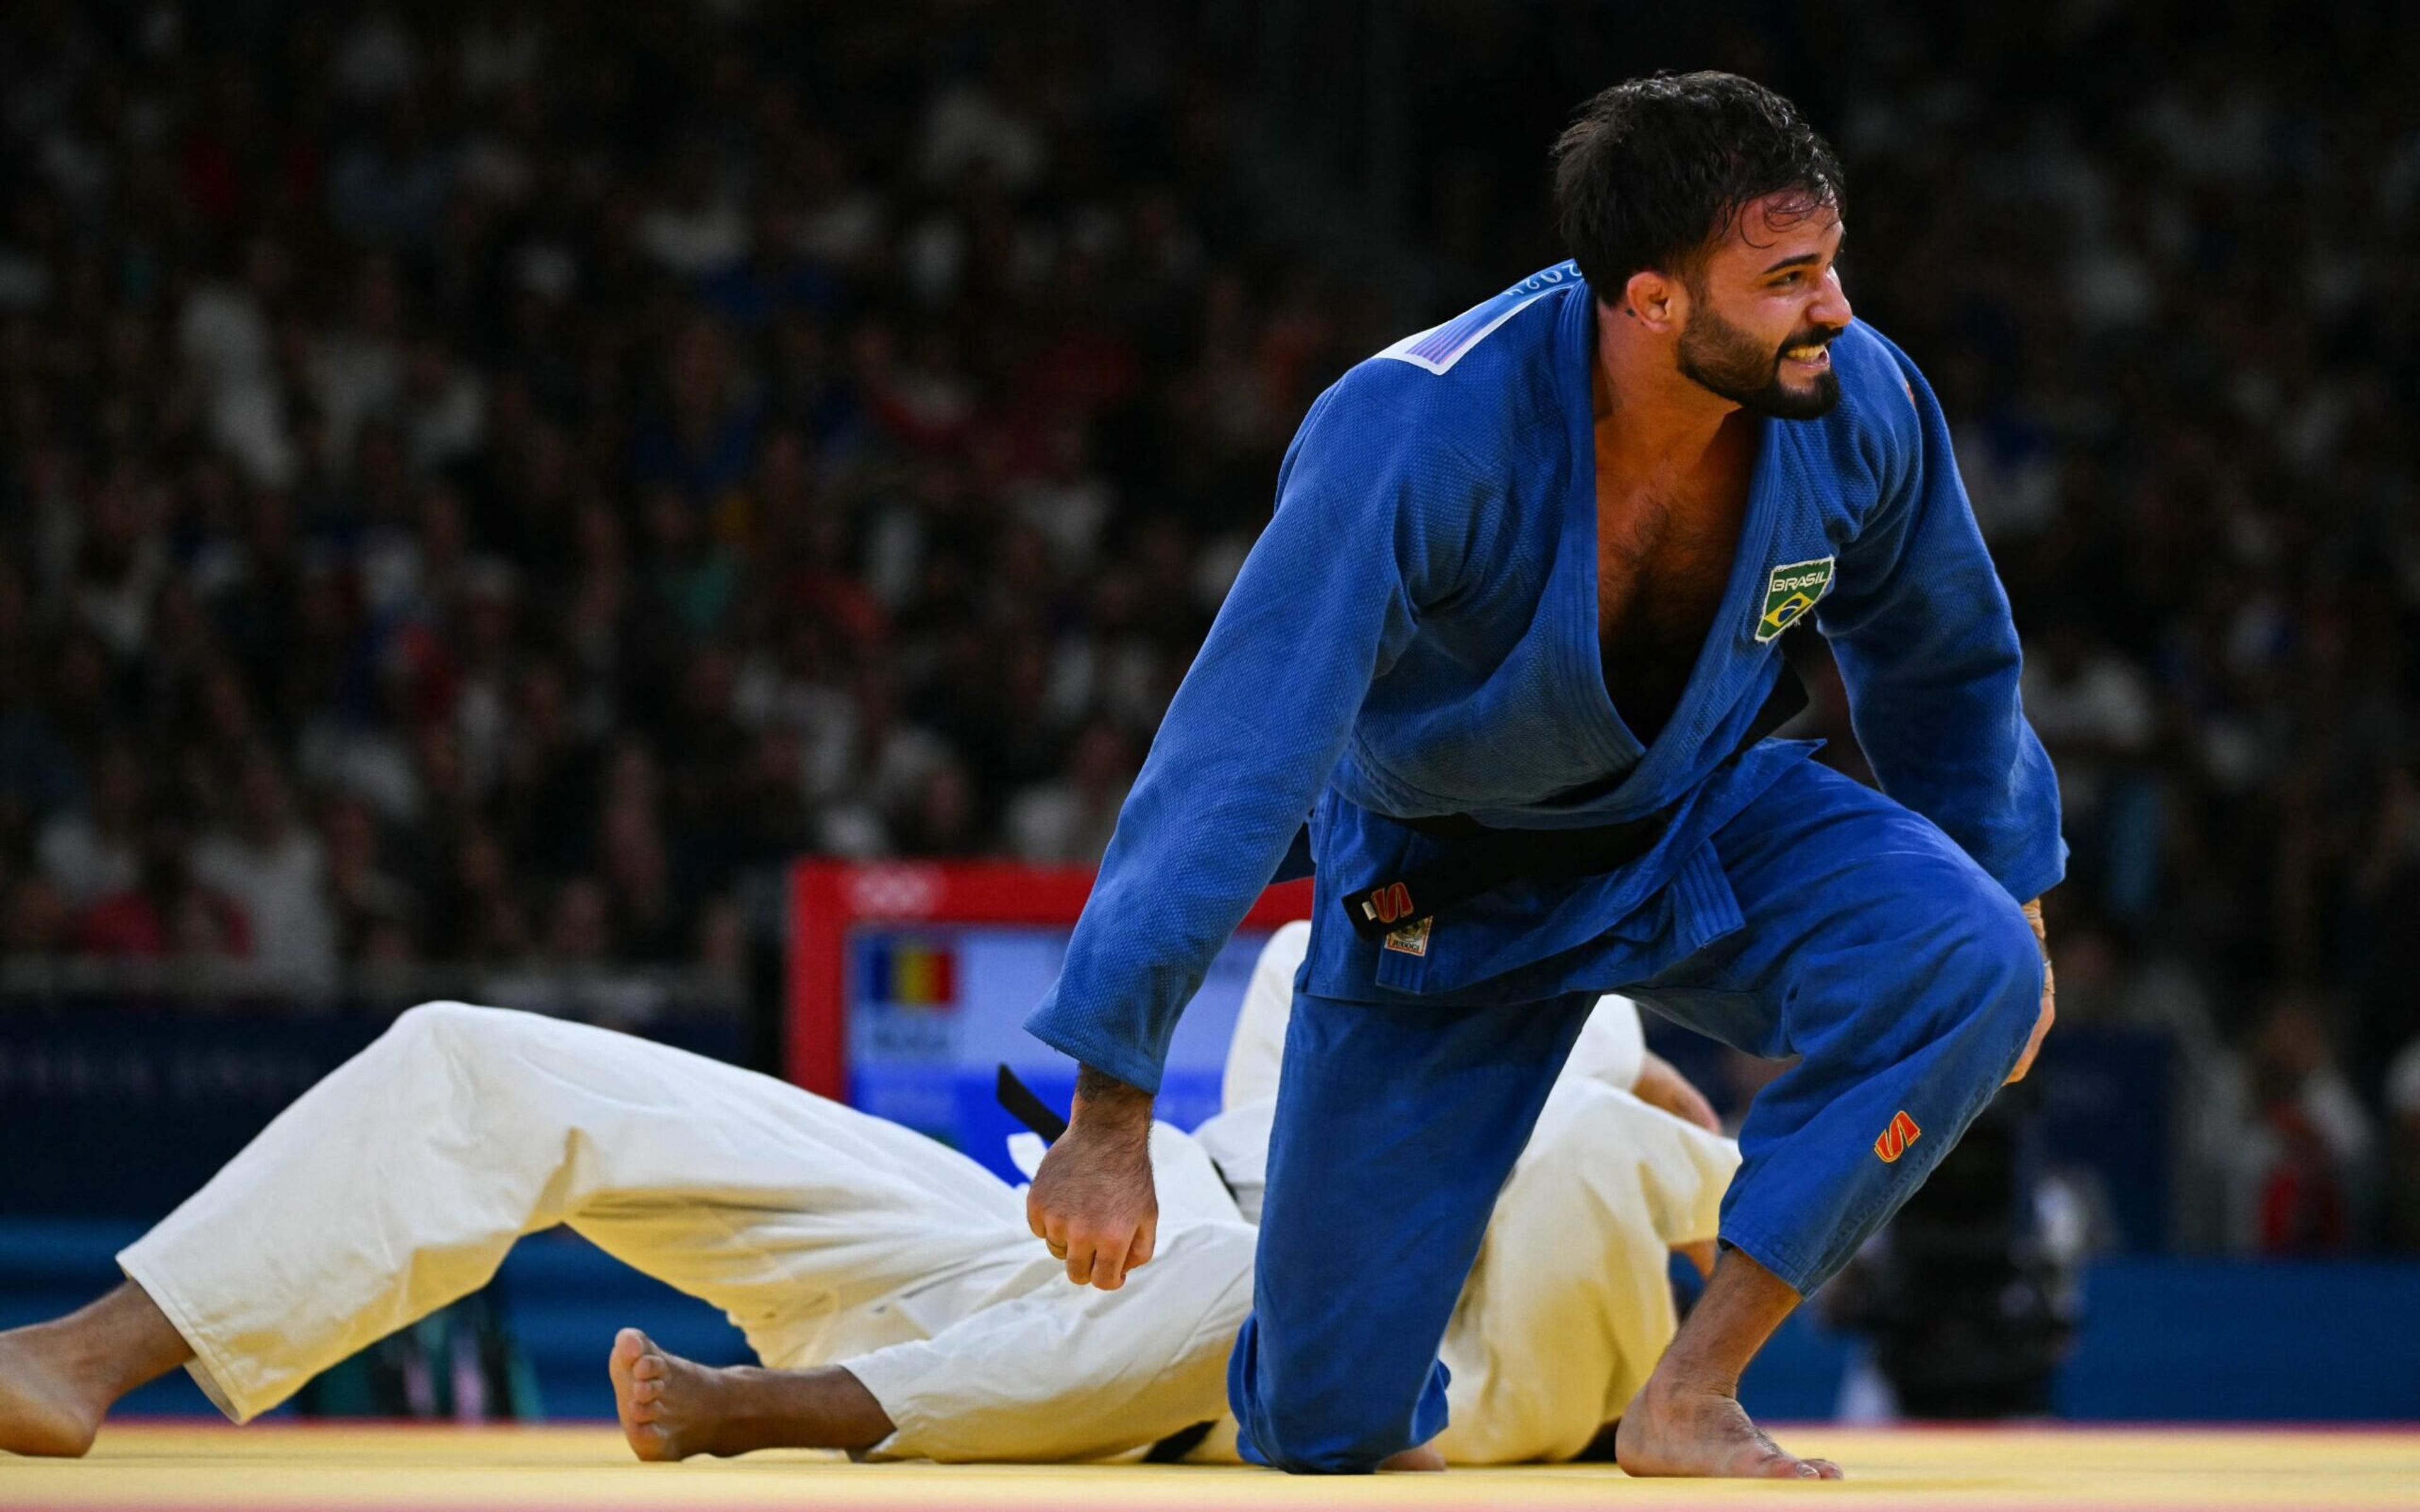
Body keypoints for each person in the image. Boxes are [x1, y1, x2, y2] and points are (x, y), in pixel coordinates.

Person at [1021, 71, 2062, 1481]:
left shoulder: (1854, 399)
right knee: (1324, 1427)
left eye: (1832, 264)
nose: (1835, 310)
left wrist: (2017, 893)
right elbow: (1235, 755)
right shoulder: (1418, 433)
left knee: (1976, 959)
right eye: (1788, 279)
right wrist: (1108, 1109)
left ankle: (1692, 1391)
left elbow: (1943, 652)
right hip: (1446, 889)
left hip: (1701, 818)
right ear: (1651, 301)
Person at [0, 924, 1737, 1466]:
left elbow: (1696, 1184)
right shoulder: (1323, 939)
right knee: (481, 1056)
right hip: (1089, 1248)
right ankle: (86, 1353)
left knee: (1256, 1299)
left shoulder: (1590, 1024)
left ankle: (771, 1407)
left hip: (1382, 1375)